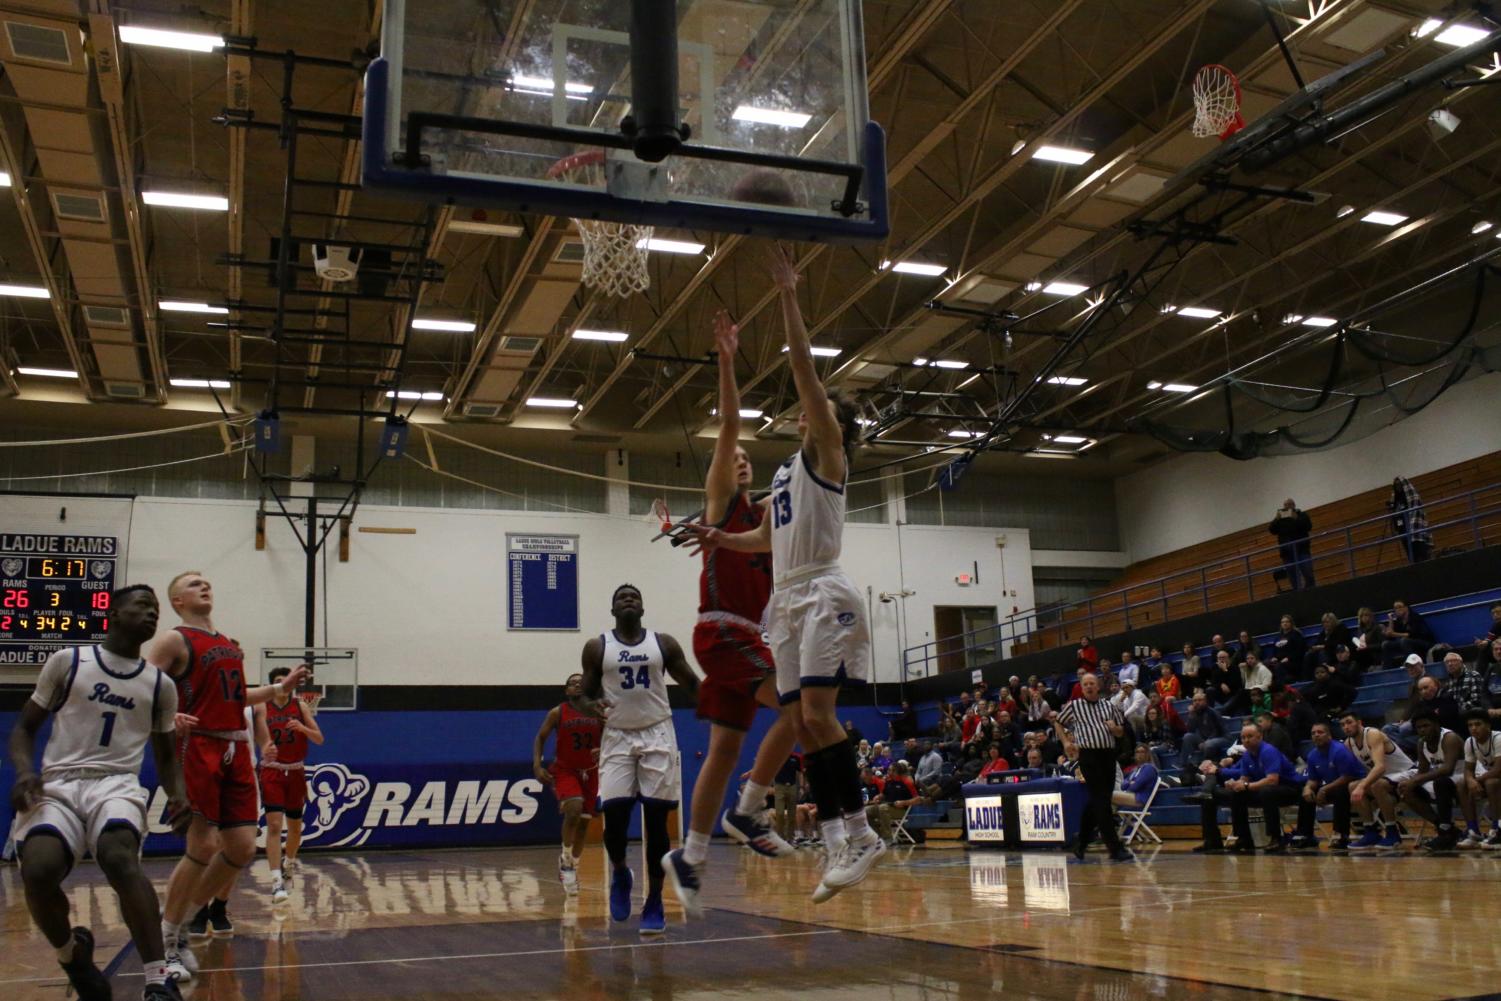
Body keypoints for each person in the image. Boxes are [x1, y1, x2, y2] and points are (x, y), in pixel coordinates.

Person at [685, 245, 877, 904]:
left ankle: (858, 833)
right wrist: (718, 536)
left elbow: (802, 370)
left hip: (823, 590)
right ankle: (836, 837)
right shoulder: (783, 472)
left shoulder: (826, 450)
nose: (801, 413)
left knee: (818, 715)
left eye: (813, 410)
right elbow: (764, 534)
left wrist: (789, 295)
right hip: (788, 600)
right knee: (800, 717)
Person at [664, 310, 804, 922]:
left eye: (749, 458)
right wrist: (726, 360)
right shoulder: (722, 505)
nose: (741, 459)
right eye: (735, 456)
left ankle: (690, 856)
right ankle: (747, 810)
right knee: (800, 711)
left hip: (744, 637)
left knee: (722, 749)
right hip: (722, 629)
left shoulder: (771, 518)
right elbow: (727, 428)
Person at [6, 585, 190, 1001]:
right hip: (60, 782)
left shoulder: (160, 684)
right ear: (113, 611)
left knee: (119, 855)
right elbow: (23, 729)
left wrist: (178, 795)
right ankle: (72, 955)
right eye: (142, 605)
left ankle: (158, 981)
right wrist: (23, 772)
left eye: (156, 609)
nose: (151, 614)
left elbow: (165, 757)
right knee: (37, 870)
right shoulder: (69, 662)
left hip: (117, 783)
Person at [152, 572, 308, 982]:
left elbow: (239, 697)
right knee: (202, 843)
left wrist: (279, 688)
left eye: (206, 581)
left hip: (235, 747)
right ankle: (165, 940)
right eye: (192, 583)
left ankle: (186, 923)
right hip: (199, 744)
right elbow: (140, 682)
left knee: (241, 848)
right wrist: (167, 715)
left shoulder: (227, 644)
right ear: (177, 600)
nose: (204, 585)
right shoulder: (174, 638)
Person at [582, 584, 699, 935]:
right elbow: (585, 696)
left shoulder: (662, 643)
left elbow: (691, 682)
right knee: (614, 820)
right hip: (617, 735)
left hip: (657, 733)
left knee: (658, 824)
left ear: (643, 609)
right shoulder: (597, 647)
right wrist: (592, 706)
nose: (628, 599)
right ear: (613, 609)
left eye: (634, 596)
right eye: (621, 597)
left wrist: (719, 708)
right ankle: (620, 871)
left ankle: (654, 900)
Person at [253, 667, 323, 905]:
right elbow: (257, 734)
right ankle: (275, 882)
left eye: (286, 681)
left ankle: (289, 864)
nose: (283, 684)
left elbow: (319, 738)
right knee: (274, 825)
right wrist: (264, 748)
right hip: (272, 770)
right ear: (272, 684)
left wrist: (302, 728)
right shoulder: (262, 706)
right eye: (278, 681)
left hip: (295, 771)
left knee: (295, 828)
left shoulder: (300, 707)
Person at [532, 672, 606, 897]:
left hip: (591, 772)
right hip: (565, 770)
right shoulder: (558, 712)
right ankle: (565, 859)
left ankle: (574, 864)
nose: (578, 685)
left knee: (584, 823)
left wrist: (604, 749)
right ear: (567, 690)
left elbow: (612, 736)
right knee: (573, 808)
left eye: (581, 682)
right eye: (573, 683)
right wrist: (537, 765)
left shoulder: (598, 711)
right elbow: (540, 738)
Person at [1049, 673, 1131, 861]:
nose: (1088, 686)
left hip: (1108, 756)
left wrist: (1114, 728)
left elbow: (1120, 732)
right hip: (1089, 756)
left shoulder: (1109, 705)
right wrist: (1065, 743)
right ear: (1081, 687)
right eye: (1085, 684)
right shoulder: (1075, 706)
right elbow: (1058, 723)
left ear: (1098, 686)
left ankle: (1082, 841)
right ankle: (1114, 847)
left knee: (1099, 800)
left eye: (1091, 683)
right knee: (1102, 802)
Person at [1194, 723, 1300, 854]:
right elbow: (1244, 779)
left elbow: (1272, 780)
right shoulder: (1247, 756)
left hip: (1288, 790)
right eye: (1243, 737)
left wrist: (1245, 786)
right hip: (1262, 791)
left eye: (1250, 736)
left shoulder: (1268, 751)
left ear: (1260, 736)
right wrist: (1235, 784)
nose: (1246, 740)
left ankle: (1276, 838)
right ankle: (1230, 839)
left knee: (1267, 791)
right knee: (1214, 794)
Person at [1342, 713, 1417, 851]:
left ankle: (1393, 832)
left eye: (1349, 722)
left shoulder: (1373, 734)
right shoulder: (1348, 744)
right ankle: (1371, 832)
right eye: (1343, 725)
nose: (1346, 727)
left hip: (1407, 773)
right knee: (1352, 786)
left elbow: (1380, 767)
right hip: (1387, 780)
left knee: (1374, 785)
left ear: (1359, 722)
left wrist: (1363, 785)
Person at [1290, 721, 1364, 851]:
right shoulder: (1312, 755)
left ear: (1329, 735)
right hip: (1331, 787)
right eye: (1313, 733)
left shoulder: (1339, 750)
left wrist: (1324, 789)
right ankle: (1305, 835)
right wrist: (1308, 788)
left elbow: (1348, 777)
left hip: (1353, 785)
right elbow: (1313, 779)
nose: (1316, 735)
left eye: (1320, 732)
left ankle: (1341, 835)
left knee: (1341, 792)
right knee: (1306, 795)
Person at [1399, 709, 1466, 851]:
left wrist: (1415, 780)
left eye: (1426, 726)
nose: (1422, 730)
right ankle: (1446, 829)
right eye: (1419, 727)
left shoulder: (1449, 738)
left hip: (1464, 777)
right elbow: (1422, 771)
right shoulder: (1421, 743)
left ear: (1436, 724)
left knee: (1440, 782)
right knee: (1407, 790)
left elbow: (1448, 769)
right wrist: (1409, 783)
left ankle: (1445, 831)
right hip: (1443, 782)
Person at [1460, 709, 1501, 850]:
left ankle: (1497, 829)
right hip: (1494, 779)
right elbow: (1468, 769)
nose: (1473, 728)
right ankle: (1473, 831)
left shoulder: (1498, 738)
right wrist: (1471, 780)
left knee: (1491, 782)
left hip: (1496, 777)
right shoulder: (1469, 742)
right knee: (1462, 784)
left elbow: (1498, 769)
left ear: (1488, 726)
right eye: (1470, 725)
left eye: (1478, 724)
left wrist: (1477, 780)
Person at [1181, 691, 1231, 783]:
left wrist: (1206, 741)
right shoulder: (1195, 713)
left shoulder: (1212, 712)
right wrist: (1191, 715)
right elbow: (1191, 730)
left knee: (1208, 744)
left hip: (1223, 737)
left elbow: (1218, 731)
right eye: (1195, 700)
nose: (1197, 702)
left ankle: (1203, 768)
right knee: (1187, 736)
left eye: (1200, 700)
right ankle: (1184, 764)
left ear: (1205, 701)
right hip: (1206, 739)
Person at [1268, 498, 1315, 590]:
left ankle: (1311, 590)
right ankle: (1298, 594)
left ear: (1294, 505)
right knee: (1292, 576)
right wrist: (1276, 519)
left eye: (1289, 504)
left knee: (1307, 572)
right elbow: (1272, 530)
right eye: (1285, 505)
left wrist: (1296, 518)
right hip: (1287, 552)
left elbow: (1308, 526)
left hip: (1302, 549)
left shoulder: (1302, 515)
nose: (1287, 507)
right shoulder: (1280, 520)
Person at [1388, 475, 1432, 563]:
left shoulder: (1411, 496)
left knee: (1420, 553)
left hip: (1415, 529)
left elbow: (1416, 511)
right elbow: (1394, 515)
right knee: (1410, 555)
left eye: (1399, 485)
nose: (1398, 487)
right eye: (1396, 485)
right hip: (1403, 531)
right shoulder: (1396, 500)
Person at [1381, 599, 1435, 669]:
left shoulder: (1415, 617)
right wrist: (1391, 620)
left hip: (1424, 642)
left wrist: (1394, 634)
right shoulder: (1399, 620)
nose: (1397, 609)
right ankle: (1387, 669)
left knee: (1404, 641)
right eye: (1395, 608)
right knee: (1386, 644)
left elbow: (1412, 634)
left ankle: (1413, 665)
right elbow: (1390, 635)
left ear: (1406, 608)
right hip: (1407, 642)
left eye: (1399, 607)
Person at [1303, 613, 1353, 679]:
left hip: (1337, 652)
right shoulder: (1324, 632)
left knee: (1323, 653)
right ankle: (1307, 678)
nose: (1325, 624)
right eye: (1323, 623)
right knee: (1309, 655)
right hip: (1325, 652)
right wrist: (1313, 648)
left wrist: (1324, 647)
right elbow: (1318, 642)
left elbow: (1338, 643)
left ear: (1333, 621)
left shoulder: (1341, 629)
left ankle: (1325, 676)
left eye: (1327, 622)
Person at [1112, 745, 1159, 809]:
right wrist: (1129, 783)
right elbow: (1122, 785)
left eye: (1142, 752)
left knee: (1108, 795)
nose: (1139, 754)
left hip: (1140, 799)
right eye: (1137, 752)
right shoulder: (1134, 770)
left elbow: (1135, 786)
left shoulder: (1149, 768)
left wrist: (1129, 784)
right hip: (1131, 795)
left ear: (1147, 754)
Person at [771, 752, 803, 842]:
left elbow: (800, 773)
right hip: (779, 786)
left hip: (792, 786)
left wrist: (801, 787)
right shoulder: (776, 756)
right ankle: (780, 837)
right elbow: (769, 769)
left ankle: (790, 838)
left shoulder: (796, 757)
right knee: (779, 813)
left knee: (792, 814)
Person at [1268, 614, 1306, 685]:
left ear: (1291, 623)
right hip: (1280, 660)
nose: (1284, 623)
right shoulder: (1278, 637)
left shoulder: (1296, 634)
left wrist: (1289, 658)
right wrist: (1274, 657)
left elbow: (1300, 650)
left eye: (1287, 622)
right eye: (1283, 622)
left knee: (1279, 666)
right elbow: (1275, 651)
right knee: (1265, 663)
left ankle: (1281, 686)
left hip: (1293, 661)